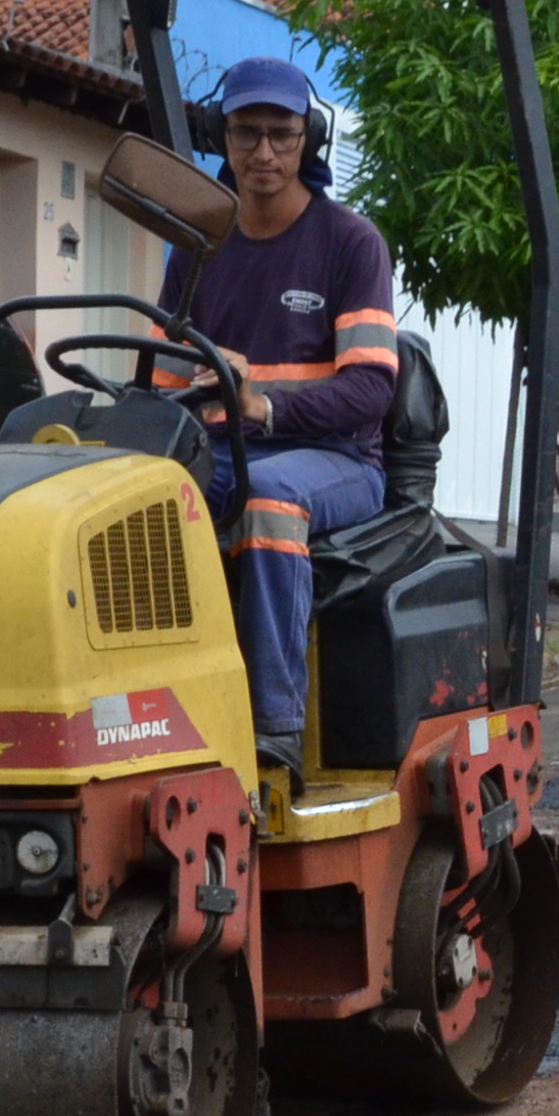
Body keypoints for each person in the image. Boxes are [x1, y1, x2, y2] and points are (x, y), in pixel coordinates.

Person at [160, 54, 400, 779]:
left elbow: (369, 392)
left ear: (310, 139)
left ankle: (274, 730)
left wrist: (259, 400)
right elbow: (169, 382)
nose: (263, 152)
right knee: (143, 502)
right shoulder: (196, 244)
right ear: (219, 136)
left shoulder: (350, 244)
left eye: (281, 134)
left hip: (337, 460)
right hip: (225, 449)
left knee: (268, 501)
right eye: (245, 133)